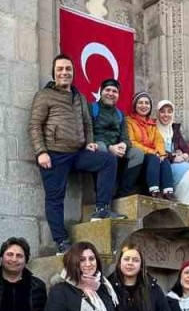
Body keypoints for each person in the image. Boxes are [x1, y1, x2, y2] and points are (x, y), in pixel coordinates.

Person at [29, 53, 125, 254]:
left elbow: (87, 123)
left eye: (68, 69)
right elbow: (35, 125)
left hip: (78, 153)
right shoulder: (44, 95)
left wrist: (90, 143)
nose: (64, 72)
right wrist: (41, 152)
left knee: (107, 160)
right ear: (54, 73)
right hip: (54, 154)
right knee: (55, 198)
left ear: (73, 72)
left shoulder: (79, 96)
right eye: (60, 69)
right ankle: (61, 242)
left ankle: (101, 210)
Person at [124, 90, 176, 199]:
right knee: (154, 158)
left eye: (147, 103)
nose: (144, 106)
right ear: (135, 105)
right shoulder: (129, 121)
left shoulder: (152, 124)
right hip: (140, 159)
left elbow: (159, 140)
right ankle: (154, 191)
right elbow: (132, 141)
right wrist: (153, 152)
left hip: (153, 158)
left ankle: (168, 192)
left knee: (164, 159)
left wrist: (161, 153)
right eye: (141, 103)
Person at [89, 78, 136, 198]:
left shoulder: (120, 114)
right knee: (103, 149)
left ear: (118, 95)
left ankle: (122, 193)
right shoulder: (92, 108)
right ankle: (103, 196)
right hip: (98, 146)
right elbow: (88, 132)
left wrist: (124, 145)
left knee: (137, 154)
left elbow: (125, 137)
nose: (110, 93)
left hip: (116, 148)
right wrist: (110, 148)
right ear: (101, 91)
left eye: (114, 91)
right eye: (107, 90)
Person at [155, 99, 189, 203]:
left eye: (169, 111)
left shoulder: (174, 130)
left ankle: (187, 202)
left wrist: (187, 155)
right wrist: (173, 157)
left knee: (188, 168)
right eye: (162, 111)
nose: (166, 115)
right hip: (162, 165)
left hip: (175, 164)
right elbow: (153, 148)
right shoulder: (152, 128)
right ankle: (187, 202)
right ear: (157, 113)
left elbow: (186, 148)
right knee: (186, 169)